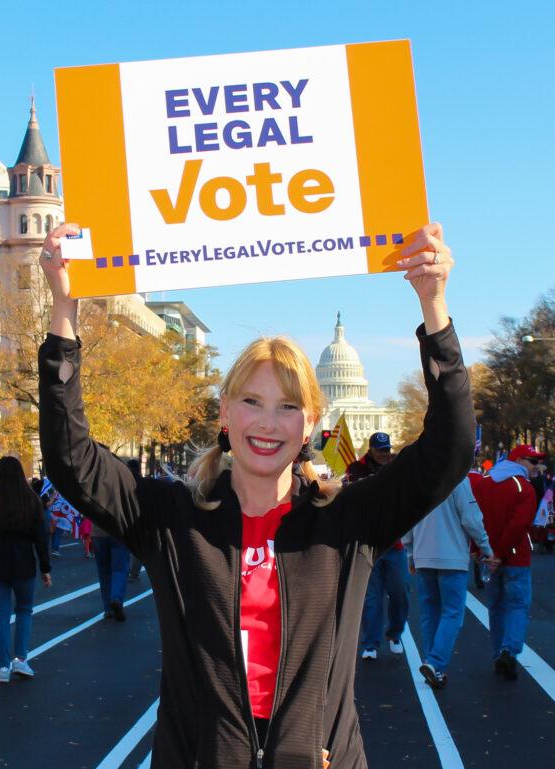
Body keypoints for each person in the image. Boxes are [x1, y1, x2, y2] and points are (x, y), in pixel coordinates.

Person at [38, 221, 474, 769]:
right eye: (251, 401)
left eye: (288, 406)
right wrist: (64, 308)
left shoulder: (347, 520)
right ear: (224, 411)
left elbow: (451, 447)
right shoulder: (173, 519)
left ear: (311, 422)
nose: (268, 424)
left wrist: (434, 306)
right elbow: (69, 457)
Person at [402, 477, 497, 689]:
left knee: (429, 613)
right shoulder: (458, 480)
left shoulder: (419, 481)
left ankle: (432, 663)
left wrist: (410, 553)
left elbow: (407, 520)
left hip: (423, 555)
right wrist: (486, 547)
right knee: (452, 613)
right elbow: (471, 519)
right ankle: (436, 663)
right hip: (452, 557)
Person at [0, 456, 52, 682]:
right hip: (23, 563)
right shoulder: (31, 501)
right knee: (24, 610)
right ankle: (21, 660)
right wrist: (45, 567)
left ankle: (2, 666)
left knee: (1, 614)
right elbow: (40, 538)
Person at [473, 444, 544, 681]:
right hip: (514, 558)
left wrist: (481, 551)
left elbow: (475, 519)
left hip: (489, 555)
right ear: (518, 461)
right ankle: (509, 651)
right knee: (517, 605)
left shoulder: (485, 482)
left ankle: (498, 654)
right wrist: (501, 554)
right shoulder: (524, 487)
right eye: (532, 461)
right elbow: (518, 525)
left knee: (496, 607)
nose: (537, 466)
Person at [346, 433, 410, 659]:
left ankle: (395, 633)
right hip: (368, 543)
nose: (384, 454)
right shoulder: (356, 469)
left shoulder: (397, 467)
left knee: (400, 592)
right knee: (372, 597)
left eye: (387, 449)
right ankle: (370, 644)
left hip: (394, 543)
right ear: (370, 449)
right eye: (380, 450)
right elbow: (353, 499)